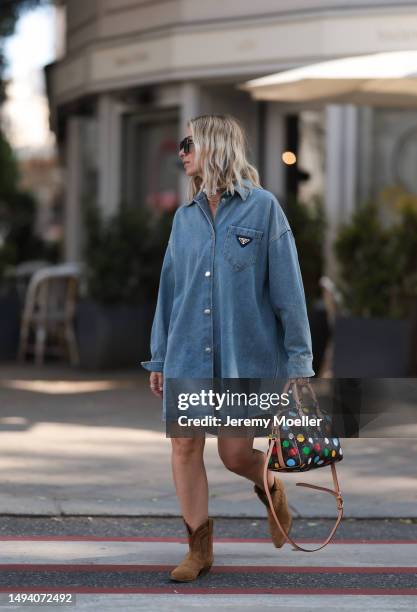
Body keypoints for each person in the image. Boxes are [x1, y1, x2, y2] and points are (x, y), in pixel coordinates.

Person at [141, 114, 314, 582]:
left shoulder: (263, 210)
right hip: (187, 353)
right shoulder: (184, 218)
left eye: (187, 143)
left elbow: (288, 291)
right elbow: (170, 291)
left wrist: (299, 363)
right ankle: (198, 550)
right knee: (184, 447)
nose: (181, 152)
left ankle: (271, 485)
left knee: (234, 455)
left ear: (214, 147)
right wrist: (159, 357)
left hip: (246, 355)